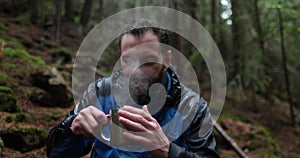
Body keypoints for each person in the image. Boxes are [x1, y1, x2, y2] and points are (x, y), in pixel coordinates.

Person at [47, 19, 219, 158]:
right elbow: (55, 153)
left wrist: (168, 152)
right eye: (128, 60)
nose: (137, 71)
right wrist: (72, 129)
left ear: (166, 60)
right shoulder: (101, 92)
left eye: (149, 61)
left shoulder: (191, 107)